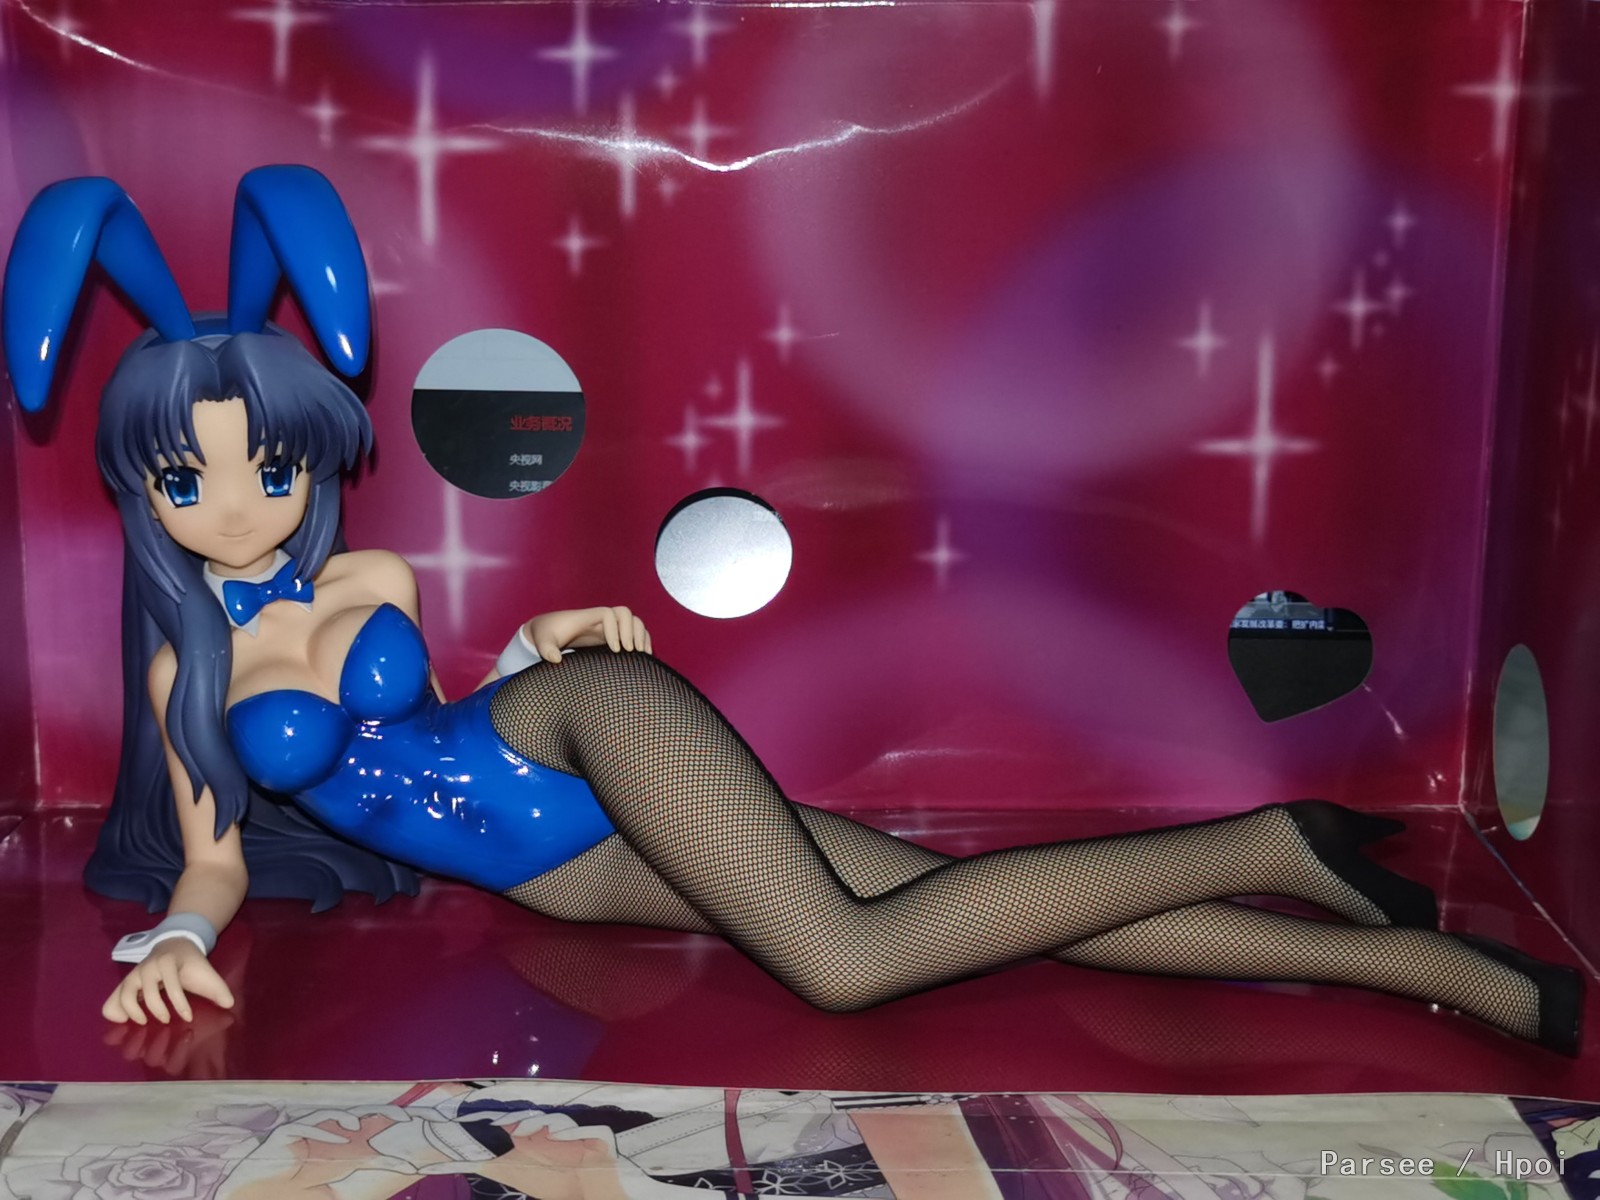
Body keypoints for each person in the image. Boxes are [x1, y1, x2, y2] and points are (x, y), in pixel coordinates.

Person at [1, 167, 1583, 1055]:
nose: (240, 500)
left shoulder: (366, 579)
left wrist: (547, 646)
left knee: (846, 962)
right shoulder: (185, 673)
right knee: (958, 908)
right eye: (192, 476)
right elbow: (214, 857)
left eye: (272, 461)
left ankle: (1329, 883)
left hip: (580, 732)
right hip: (570, 877)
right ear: (147, 488)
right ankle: (1372, 921)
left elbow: (443, 702)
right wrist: (174, 936)